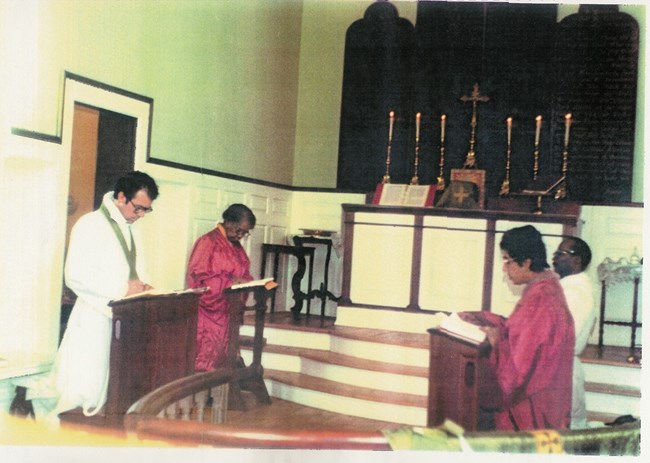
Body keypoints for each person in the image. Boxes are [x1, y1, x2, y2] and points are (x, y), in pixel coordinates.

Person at [28, 171, 159, 421]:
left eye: (146, 211)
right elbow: (74, 275)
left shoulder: (133, 228)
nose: (141, 215)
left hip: (126, 317)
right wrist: (122, 288)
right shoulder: (91, 224)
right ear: (121, 197)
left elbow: (135, 270)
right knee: (84, 386)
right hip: (94, 316)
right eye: (139, 208)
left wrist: (144, 286)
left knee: (114, 385)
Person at [460, 225, 575, 431]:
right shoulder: (545, 289)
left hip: (531, 413)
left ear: (527, 261)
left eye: (507, 260)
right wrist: (483, 318)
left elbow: (516, 373)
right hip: (545, 401)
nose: (504, 268)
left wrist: (496, 344)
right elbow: (519, 332)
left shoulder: (540, 301)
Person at [186, 204, 255, 371]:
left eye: (245, 233)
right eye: (240, 230)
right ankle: (204, 395)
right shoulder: (207, 242)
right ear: (229, 222)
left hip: (229, 311)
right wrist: (229, 282)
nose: (241, 236)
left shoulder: (236, 246)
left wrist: (247, 282)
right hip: (210, 314)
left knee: (227, 356)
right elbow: (198, 280)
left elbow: (243, 271)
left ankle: (223, 394)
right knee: (208, 358)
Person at [552, 236, 596, 430]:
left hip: (563, 370)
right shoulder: (568, 287)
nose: (554, 258)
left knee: (567, 435)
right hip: (561, 367)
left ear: (576, 260)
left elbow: (561, 337)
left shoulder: (576, 292)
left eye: (560, 254)